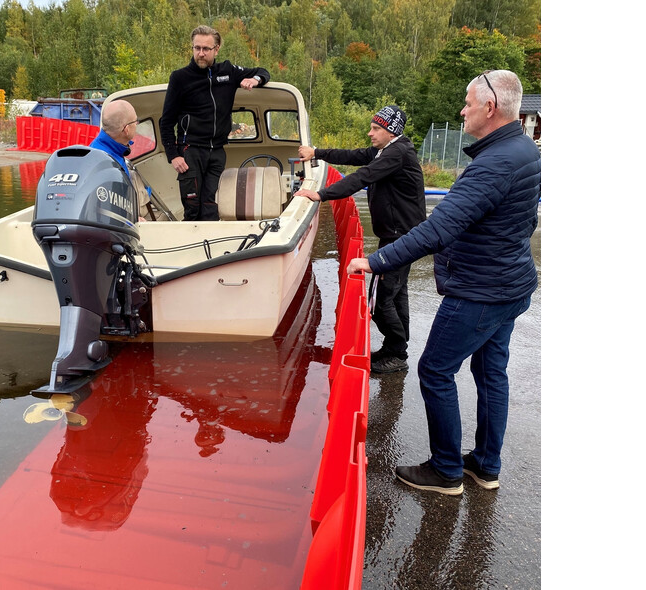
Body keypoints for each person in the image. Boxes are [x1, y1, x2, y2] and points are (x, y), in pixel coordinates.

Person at [346, 70, 540, 495]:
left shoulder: (494, 163)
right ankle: (485, 465)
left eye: (468, 102)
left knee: (434, 370)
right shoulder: (524, 149)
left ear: (490, 108)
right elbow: (527, 219)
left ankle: (446, 470)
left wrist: (375, 261)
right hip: (511, 283)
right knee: (491, 373)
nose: (462, 109)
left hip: (480, 291)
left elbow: (436, 230)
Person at [294, 105, 426, 374]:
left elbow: (362, 176)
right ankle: (395, 350)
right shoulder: (386, 150)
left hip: (401, 237)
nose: (370, 133)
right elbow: (353, 156)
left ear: (392, 131)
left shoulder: (397, 153)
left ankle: (397, 354)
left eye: (376, 128)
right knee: (396, 294)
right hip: (400, 235)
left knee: (380, 300)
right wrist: (317, 152)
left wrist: (320, 195)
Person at [159, 25, 270, 221]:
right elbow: (166, 121)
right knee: (192, 206)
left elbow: (263, 71)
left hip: (217, 151)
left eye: (206, 49)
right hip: (190, 151)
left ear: (216, 49)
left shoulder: (228, 72)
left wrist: (255, 80)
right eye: (197, 48)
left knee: (210, 205)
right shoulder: (180, 78)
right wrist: (173, 155)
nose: (200, 54)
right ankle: (190, 247)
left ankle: (210, 248)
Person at [89, 99, 139, 177]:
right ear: (127, 129)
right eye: (135, 121)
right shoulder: (106, 165)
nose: (137, 123)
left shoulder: (110, 149)